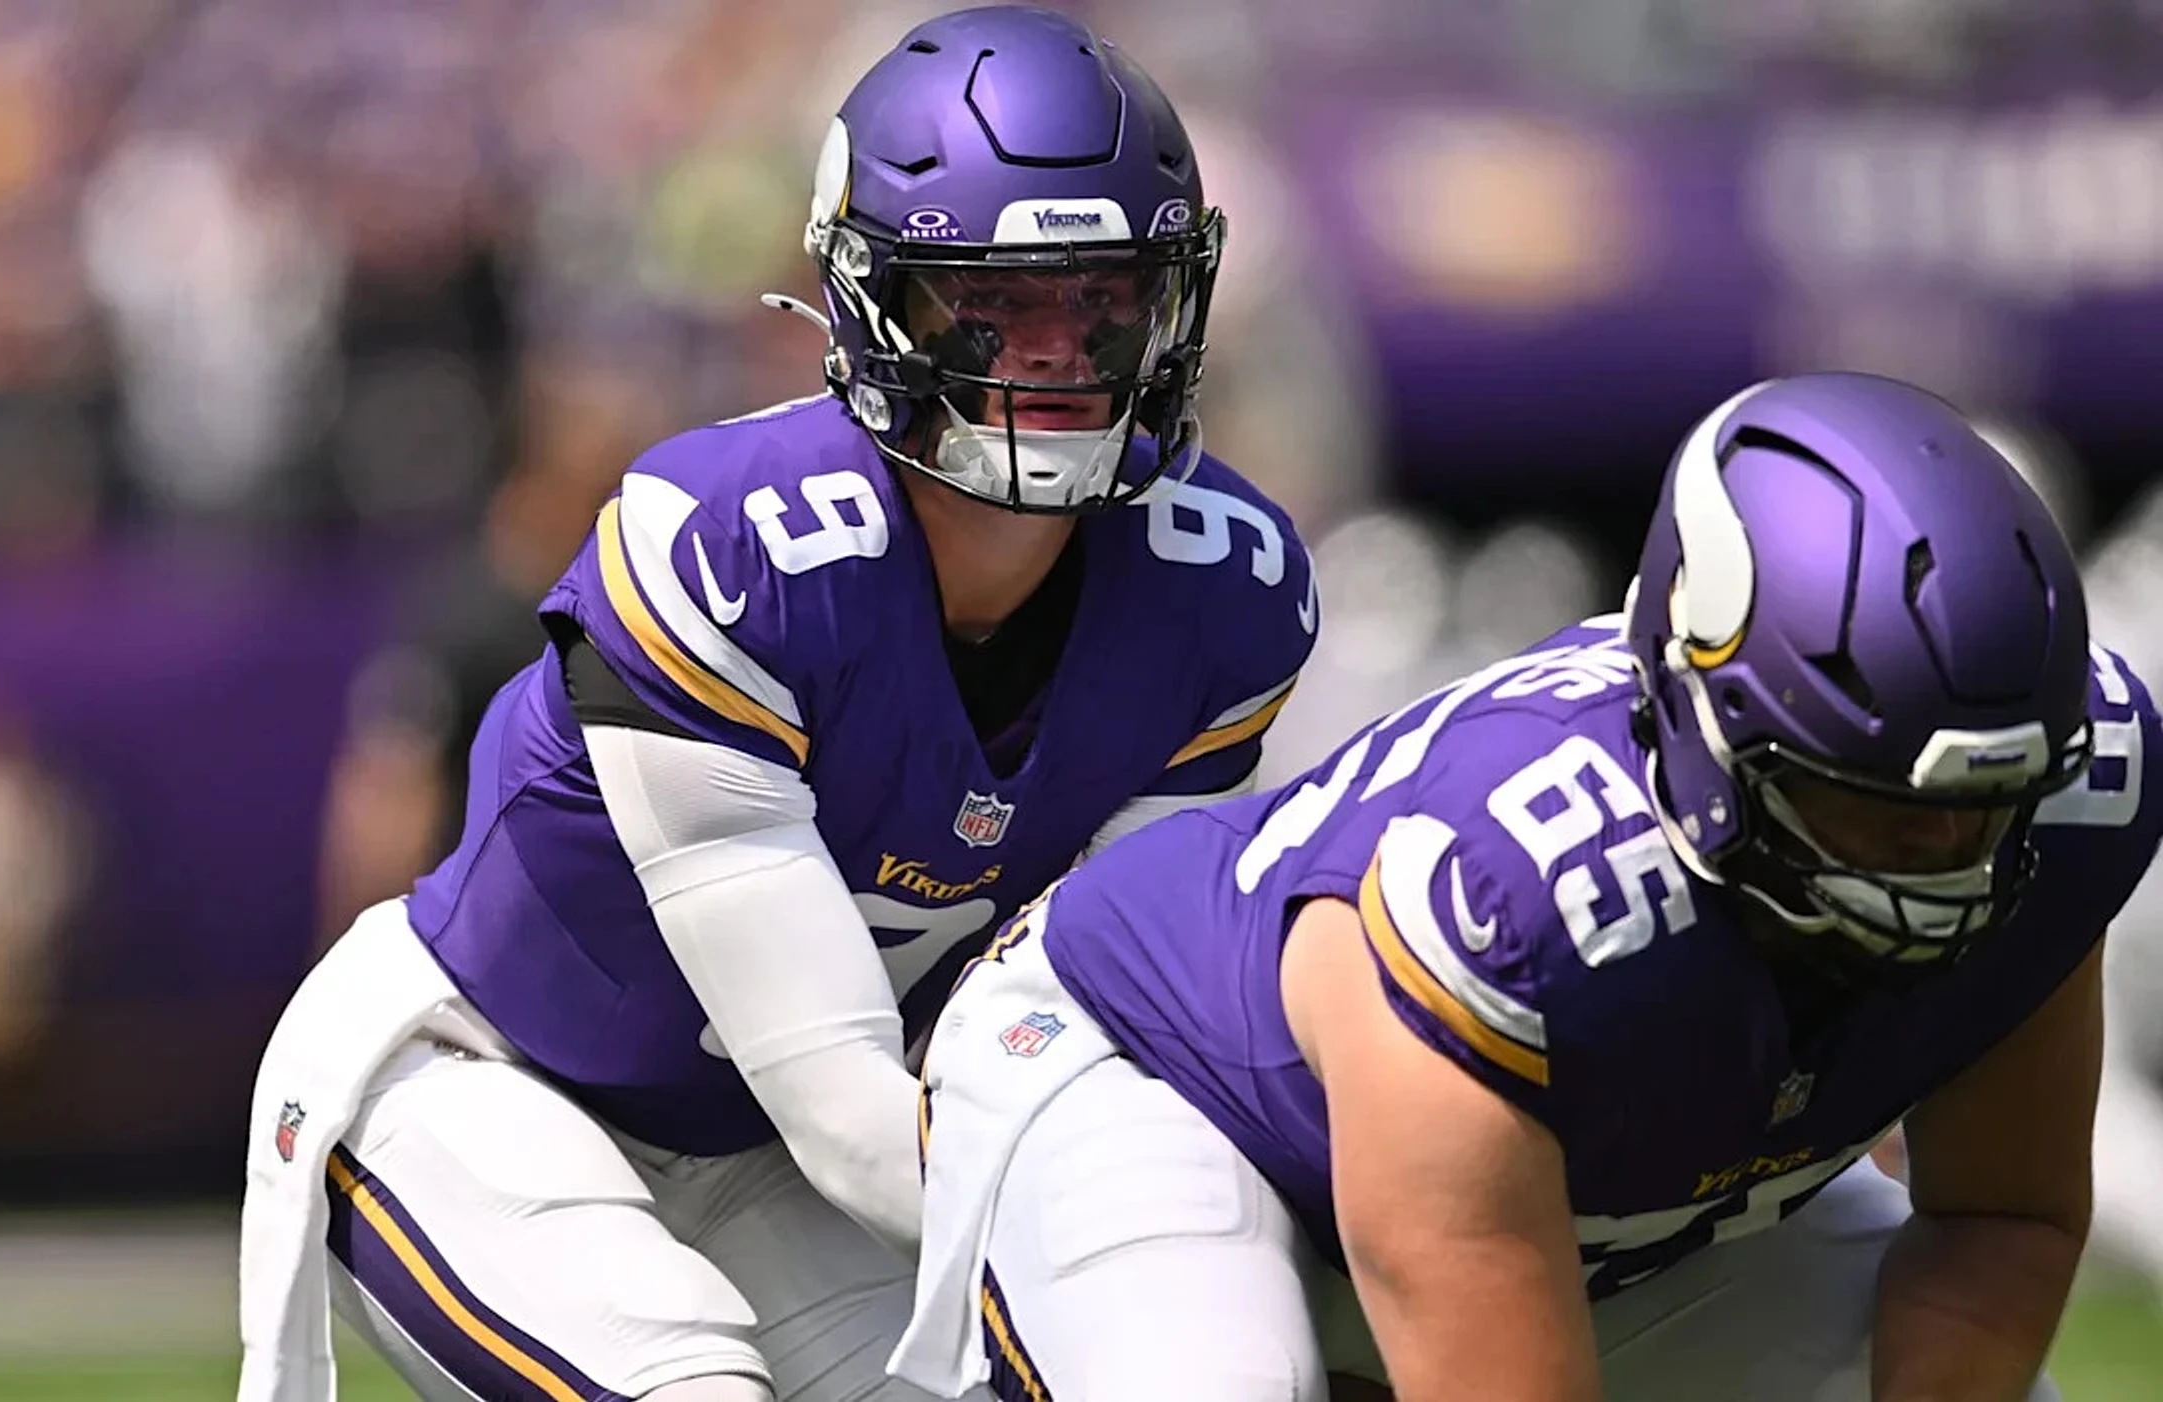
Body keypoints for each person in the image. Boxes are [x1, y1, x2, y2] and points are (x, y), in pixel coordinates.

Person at [238, 7, 1318, 1401]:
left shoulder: (1221, 591)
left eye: (1102, 295)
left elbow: (1113, 1028)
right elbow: (849, 1107)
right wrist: (1150, 1258)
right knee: (684, 1382)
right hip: (484, 1075)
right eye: (993, 302)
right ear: (872, 300)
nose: (1055, 352)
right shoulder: (731, 550)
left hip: (761, 1156)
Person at [891, 371, 2162, 1402]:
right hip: (1164, 1084)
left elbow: (2000, 1218)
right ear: (1705, 733)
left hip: (1580, 1200)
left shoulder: (2071, 798)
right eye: (1867, 805)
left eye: (1982, 808)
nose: (1937, 860)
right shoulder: (1516, 896)